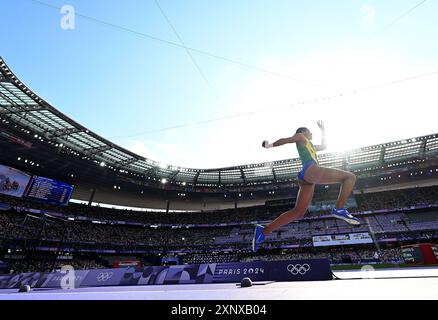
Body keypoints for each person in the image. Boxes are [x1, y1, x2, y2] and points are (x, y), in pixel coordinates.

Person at [252, 121, 360, 253]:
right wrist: (269, 145)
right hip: (311, 170)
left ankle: (264, 230)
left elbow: (325, 145)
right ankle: (339, 208)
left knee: (298, 212)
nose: (312, 133)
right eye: (310, 131)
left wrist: (324, 130)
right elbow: (287, 140)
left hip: (307, 177)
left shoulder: (310, 144)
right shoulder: (301, 136)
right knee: (349, 177)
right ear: (304, 132)